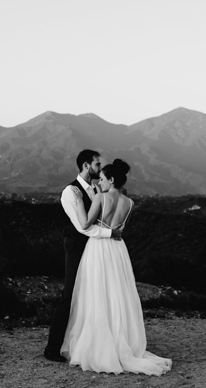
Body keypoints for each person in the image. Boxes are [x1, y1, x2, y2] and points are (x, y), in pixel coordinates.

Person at [60, 159, 172, 375]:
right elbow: (118, 226)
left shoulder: (101, 197)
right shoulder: (130, 203)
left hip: (99, 248)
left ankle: (97, 345)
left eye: (102, 179)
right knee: (117, 294)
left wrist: (80, 205)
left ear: (111, 180)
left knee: (96, 294)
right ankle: (121, 341)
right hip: (118, 250)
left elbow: (85, 224)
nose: (99, 182)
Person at [43, 149, 122, 362]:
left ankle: (88, 345)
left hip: (95, 249)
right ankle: (52, 348)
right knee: (70, 295)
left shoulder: (97, 188)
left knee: (94, 295)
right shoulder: (71, 192)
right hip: (77, 247)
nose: (100, 168)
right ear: (86, 166)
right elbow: (82, 227)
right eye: (97, 164)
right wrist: (110, 233)